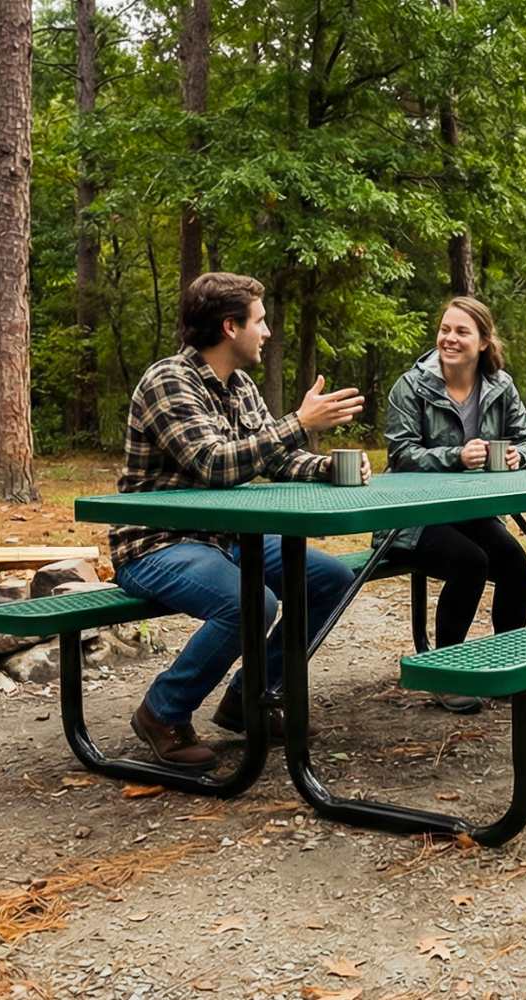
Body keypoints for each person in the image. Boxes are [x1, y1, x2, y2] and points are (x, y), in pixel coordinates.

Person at [112, 272, 369, 770]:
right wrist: (298, 424)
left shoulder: (243, 386)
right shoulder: (169, 381)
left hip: (228, 537)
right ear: (231, 327)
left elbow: (268, 461)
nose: (267, 332)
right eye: (260, 321)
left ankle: (252, 697)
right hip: (157, 544)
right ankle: (161, 712)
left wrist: (325, 467)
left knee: (331, 580)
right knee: (252, 603)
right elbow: (213, 463)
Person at [380, 296, 526, 714]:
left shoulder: (500, 386)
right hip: (410, 516)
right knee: (471, 562)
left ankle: (510, 662)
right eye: (445, 330)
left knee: (513, 561)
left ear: (484, 341)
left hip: (468, 511)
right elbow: (400, 455)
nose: (449, 339)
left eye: (461, 331)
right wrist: (455, 456)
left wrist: (518, 456)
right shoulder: (411, 386)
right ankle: (446, 671)